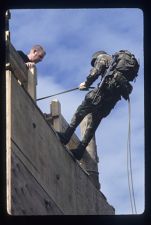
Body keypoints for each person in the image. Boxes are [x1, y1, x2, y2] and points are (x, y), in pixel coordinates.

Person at [57, 50, 139, 160]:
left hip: (99, 95)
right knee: (93, 125)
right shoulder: (116, 65)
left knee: (80, 112)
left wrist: (86, 84)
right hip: (109, 103)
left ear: (95, 58)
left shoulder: (103, 57)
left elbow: (95, 72)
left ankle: (66, 136)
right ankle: (80, 150)